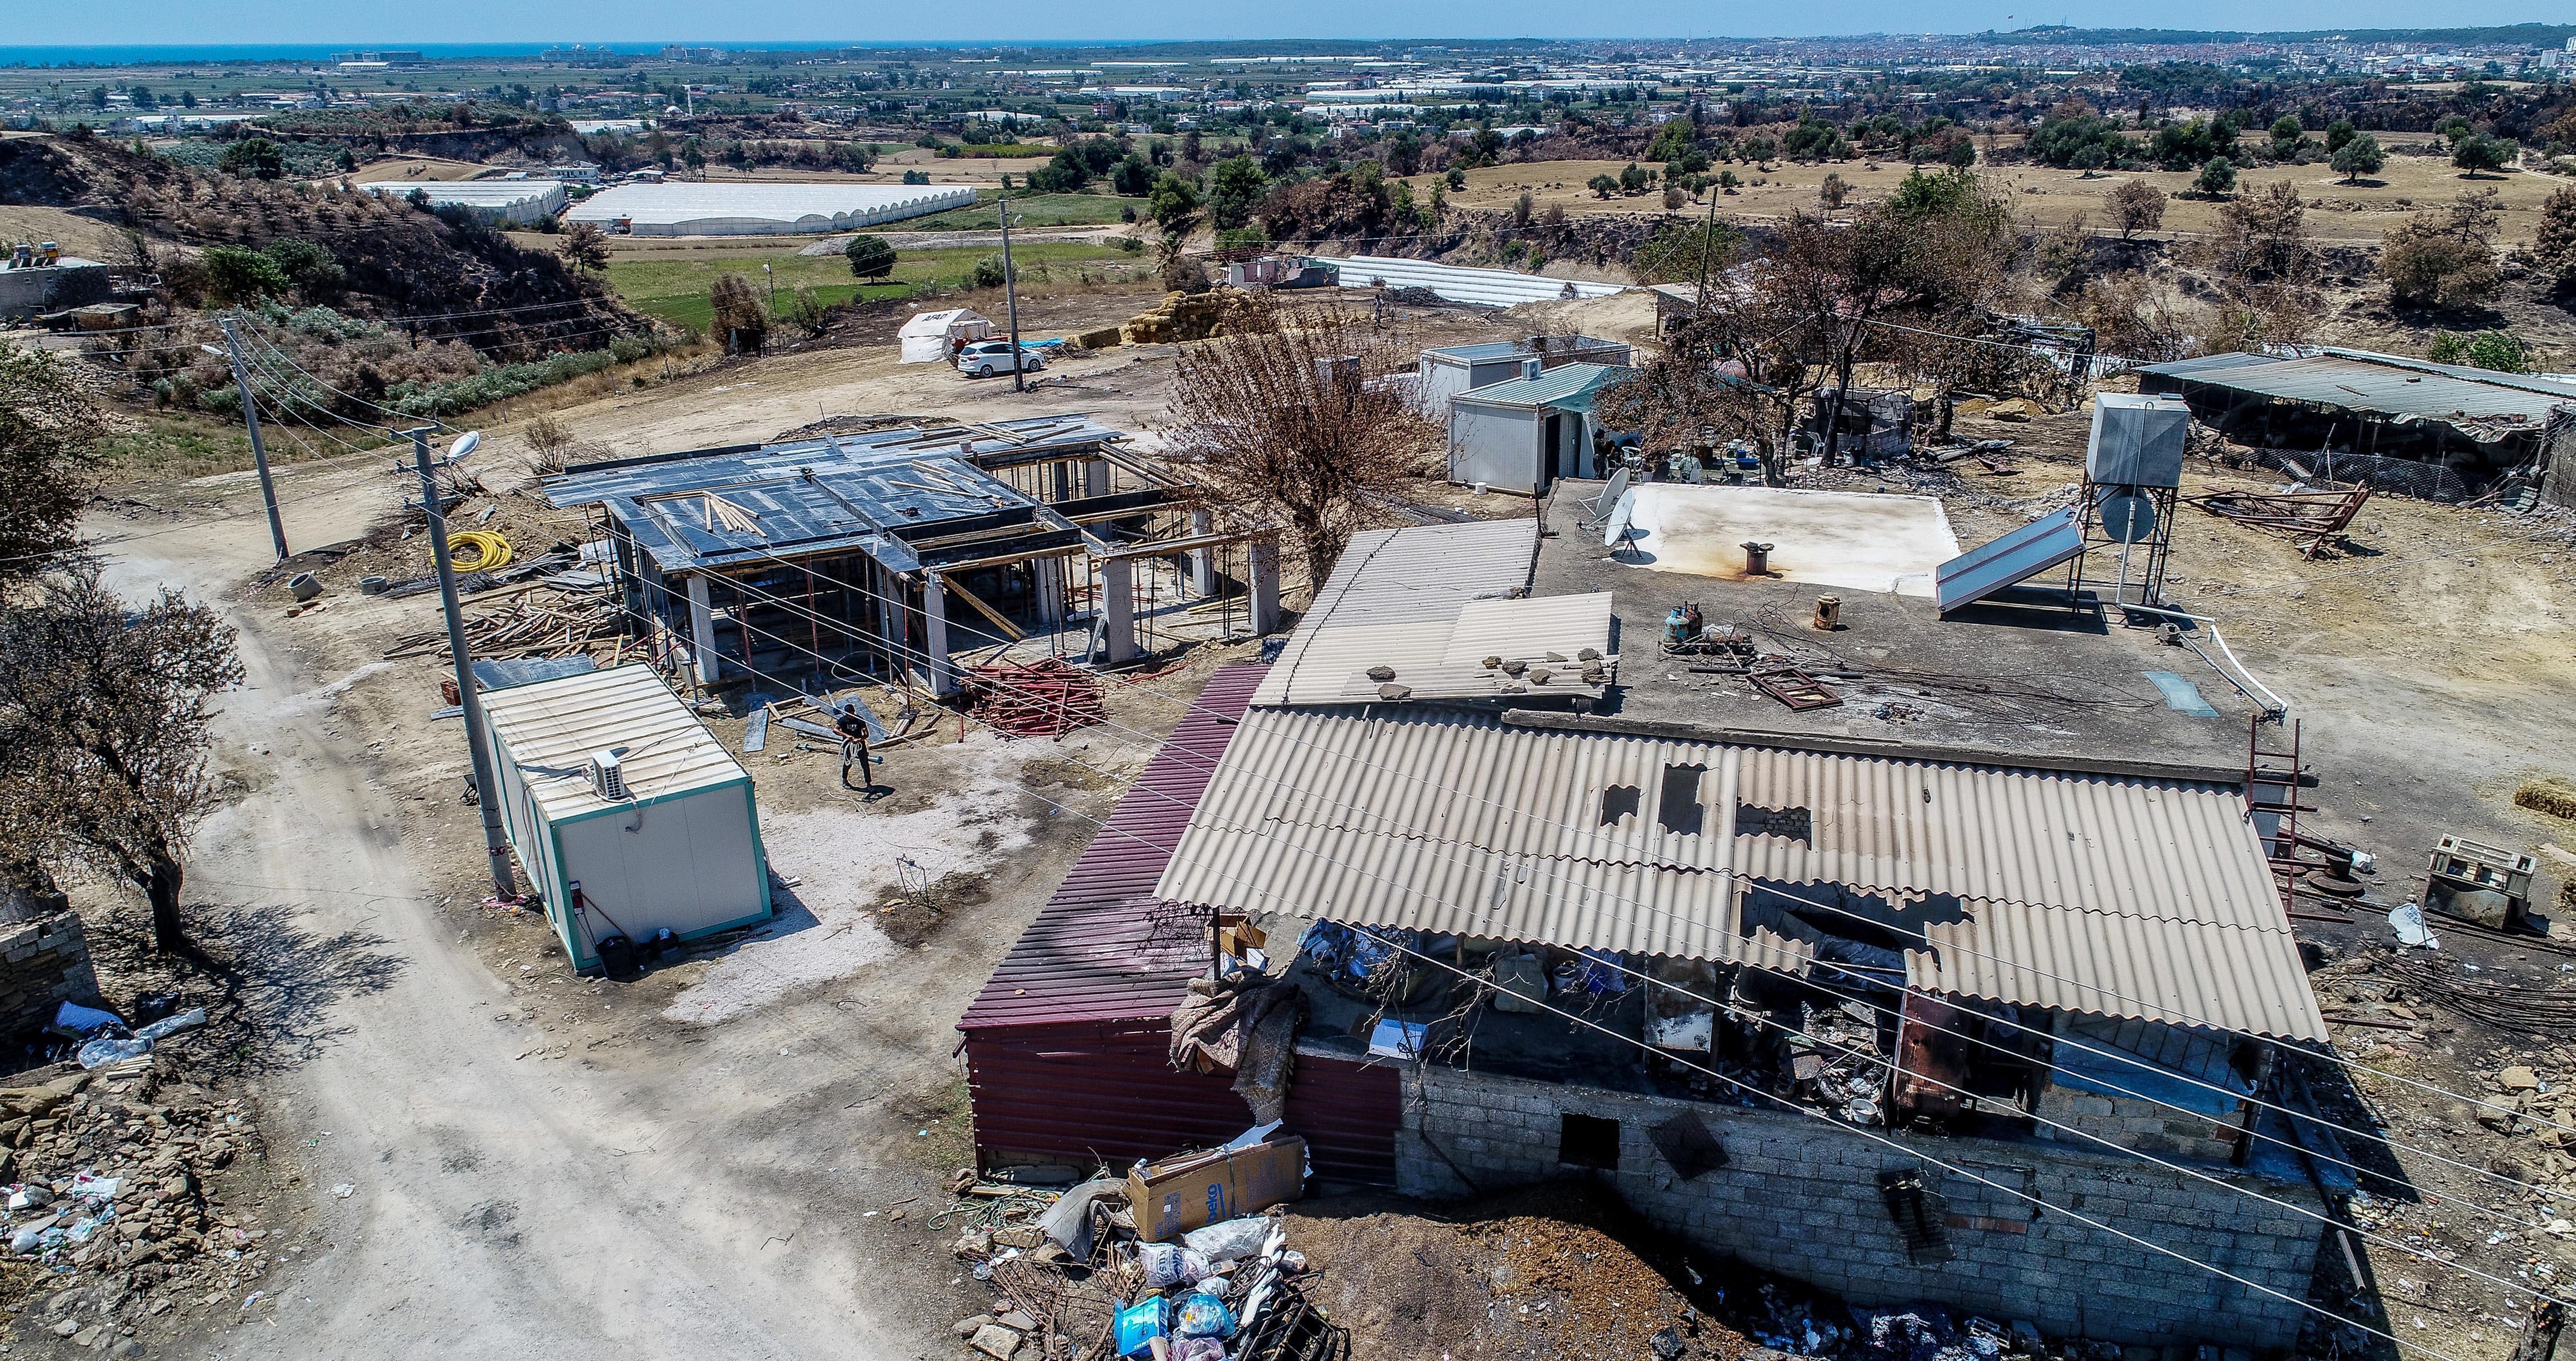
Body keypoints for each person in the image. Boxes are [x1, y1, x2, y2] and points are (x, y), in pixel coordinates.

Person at [836, 703, 875, 790]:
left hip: (860, 744)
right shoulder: (843, 720)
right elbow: (835, 730)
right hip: (848, 745)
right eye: (848, 714)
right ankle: (845, 780)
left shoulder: (859, 720)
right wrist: (846, 735)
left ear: (854, 712)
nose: (850, 716)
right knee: (847, 762)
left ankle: (869, 784)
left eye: (851, 713)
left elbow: (866, 734)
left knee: (865, 763)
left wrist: (859, 739)